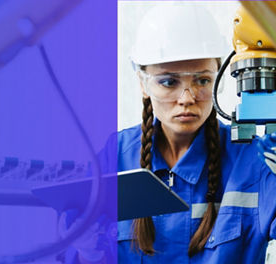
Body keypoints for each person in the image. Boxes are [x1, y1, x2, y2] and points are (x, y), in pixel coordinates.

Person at [101, 3, 276, 263]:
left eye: (202, 80)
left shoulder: (253, 160)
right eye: (169, 82)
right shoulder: (113, 158)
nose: (187, 98)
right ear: (143, 82)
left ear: (218, 79)